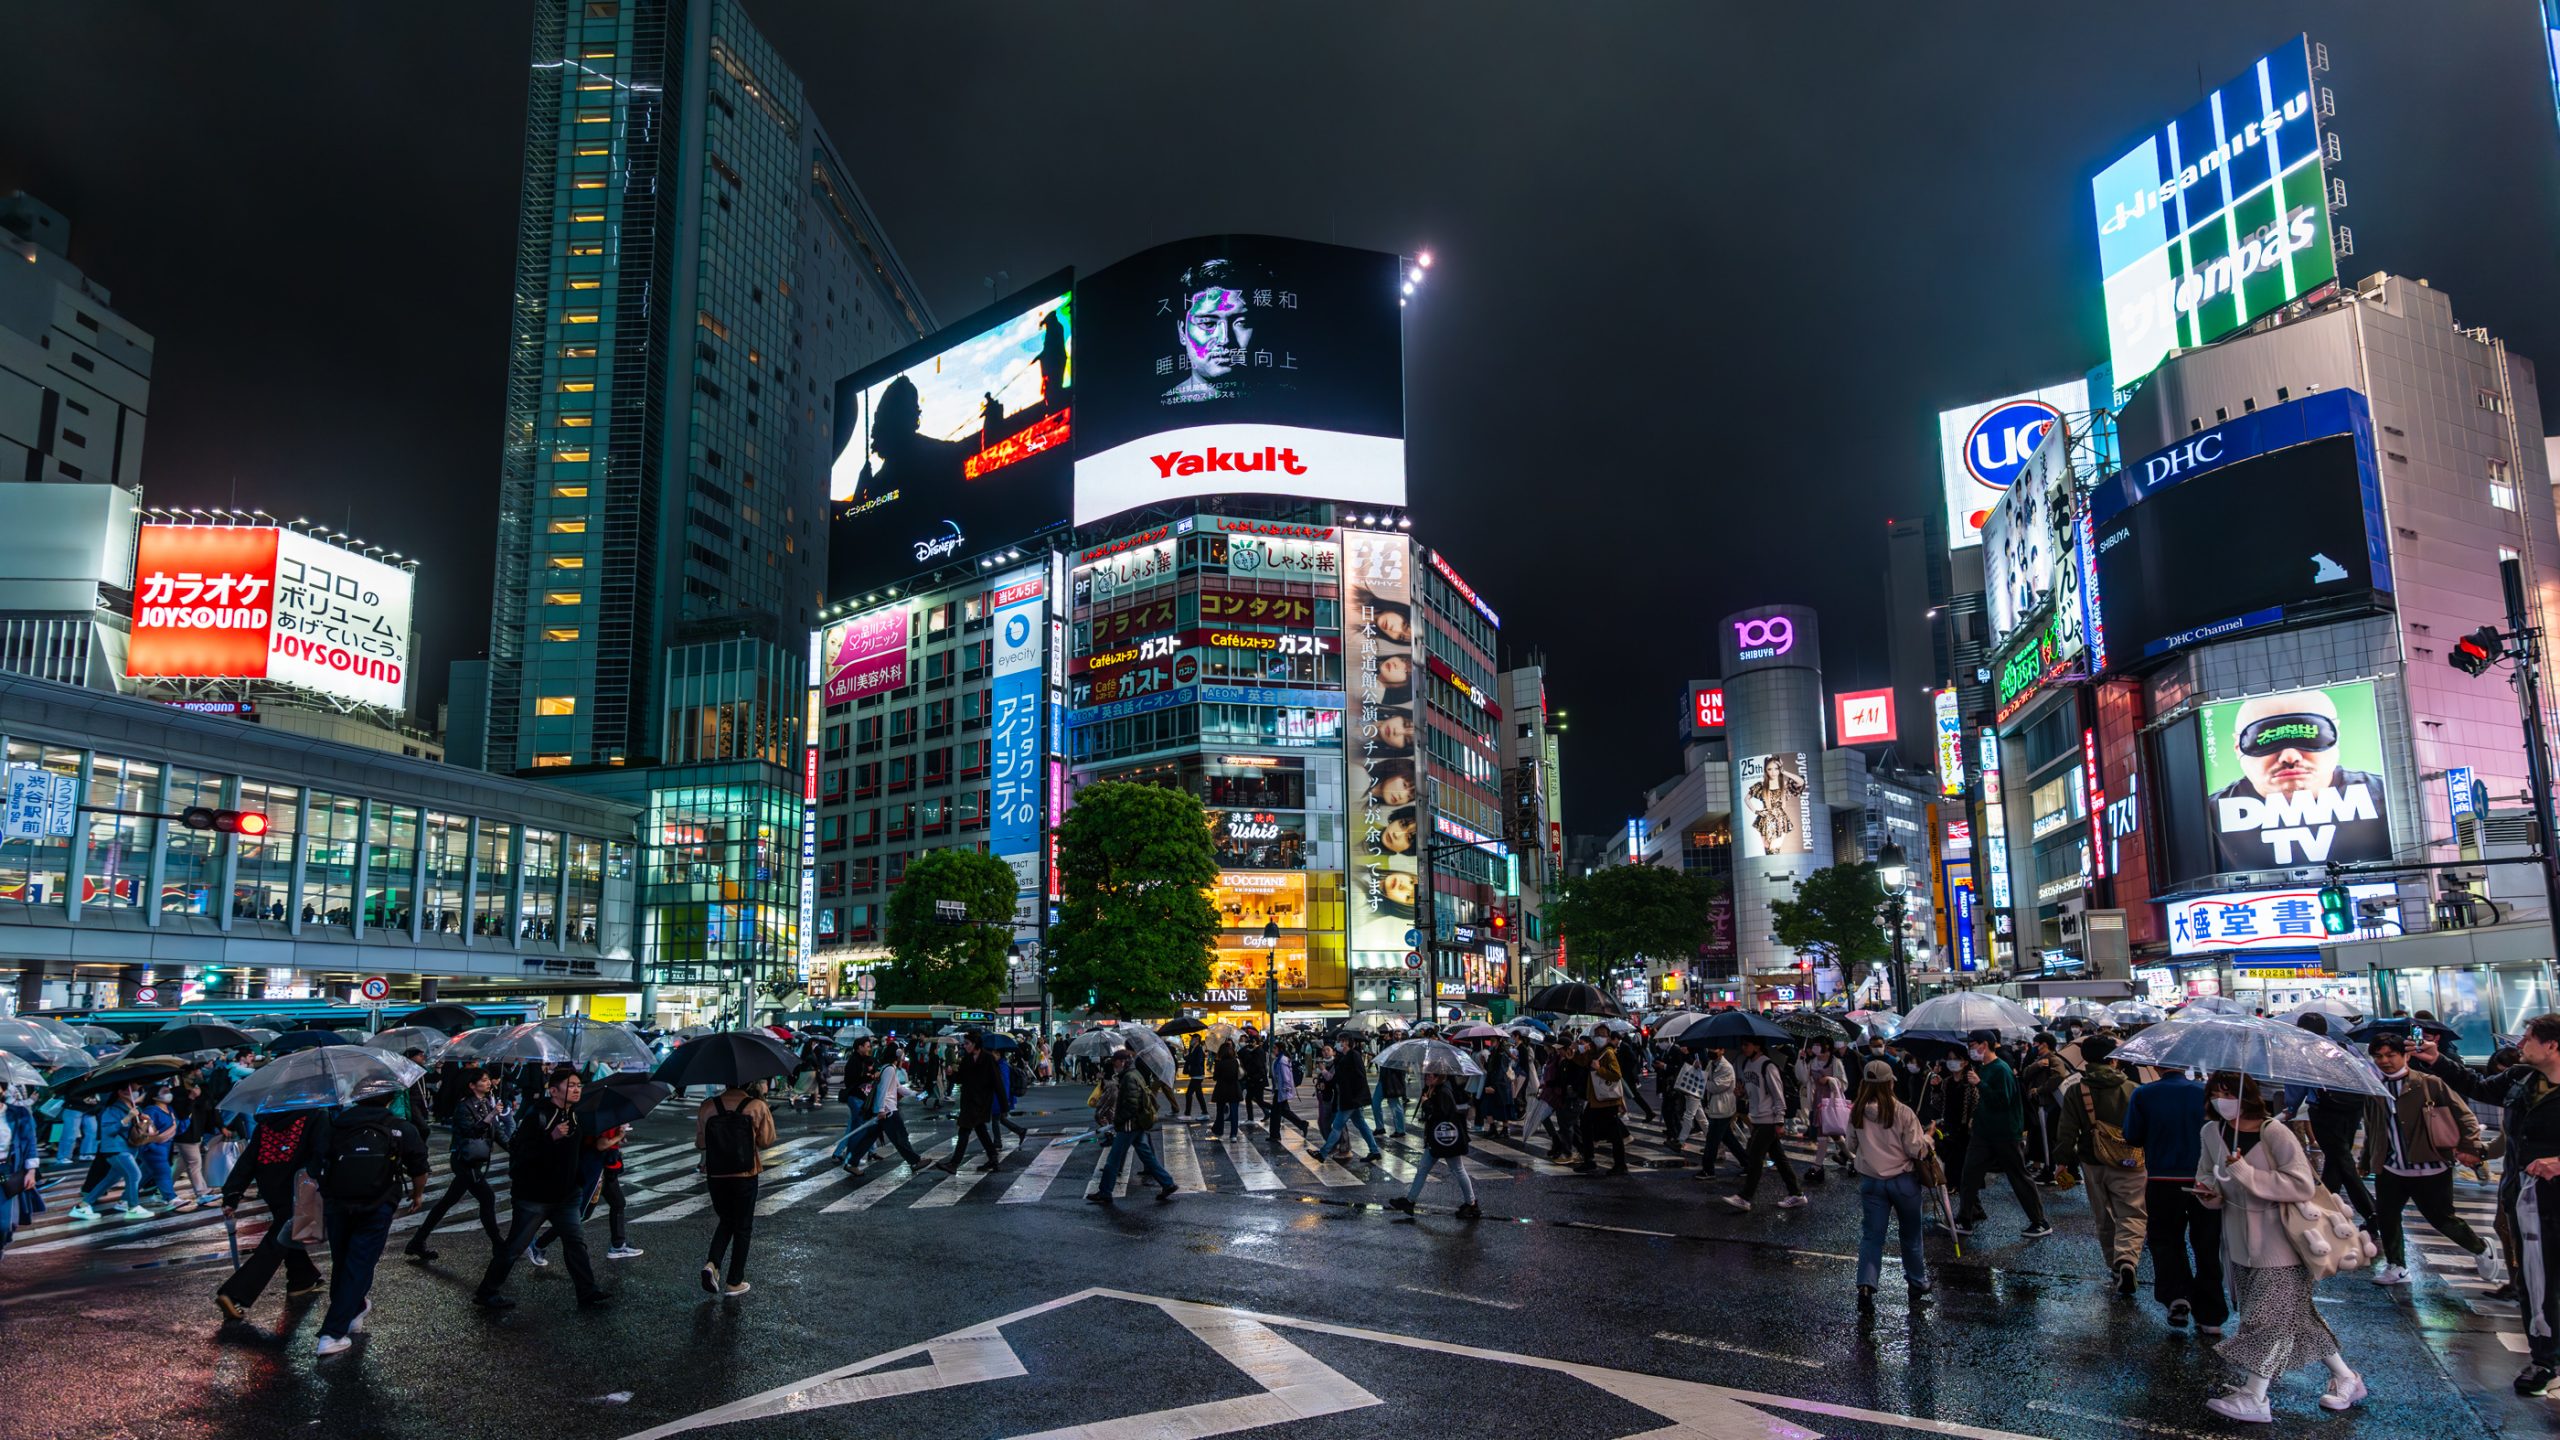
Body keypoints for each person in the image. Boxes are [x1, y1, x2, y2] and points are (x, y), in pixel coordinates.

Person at [2193, 1072, 2365, 1421]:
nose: (2219, 1100)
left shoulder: (2274, 1132)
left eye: (2227, 1093)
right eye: (2214, 1093)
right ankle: (2347, 1378)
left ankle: (2255, 1397)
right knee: (2295, 1317)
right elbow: (2208, 1175)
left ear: (2247, 1095)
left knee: (2266, 1320)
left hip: (2283, 1242)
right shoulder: (2212, 1132)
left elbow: (2301, 1184)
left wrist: (2247, 1174)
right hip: (2239, 1243)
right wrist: (2210, 1193)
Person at [2362, 1032, 2498, 1286]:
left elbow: (2465, 1116)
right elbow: (2373, 1128)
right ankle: (2397, 1266)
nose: (2384, 1061)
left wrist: (2471, 1147)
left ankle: (2480, 1248)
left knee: (2442, 1219)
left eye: (2391, 1055)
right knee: (2387, 1216)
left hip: (2431, 1167)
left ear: (2406, 1055)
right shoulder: (2374, 1089)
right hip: (2392, 1168)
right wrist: (2366, 1160)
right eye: (2378, 1056)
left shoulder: (2428, 1083)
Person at [2206, 689, 2391, 873]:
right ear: (2238, 747)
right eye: (2267, 739)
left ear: (2337, 735)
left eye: (2308, 734)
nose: (2290, 756)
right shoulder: (2208, 818)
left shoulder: (2387, 797)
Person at [474, 1067, 609, 1312]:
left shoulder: (576, 1115)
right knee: (514, 1247)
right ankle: (487, 1292)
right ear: (553, 1090)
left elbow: (577, 1152)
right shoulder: (538, 1115)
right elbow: (520, 1152)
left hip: (567, 1194)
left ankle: (587, 1291)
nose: (577, 1089)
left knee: (575, 1242)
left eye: (579, 1085)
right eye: (571, 1085)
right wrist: (552, 1137)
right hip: (534, 1196)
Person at [308, 1093, 431, 1356]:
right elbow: (419, 1167)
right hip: (378, 1203)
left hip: (338, 1203)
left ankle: (352, 1312)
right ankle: (332, 1333)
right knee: (360, 1263)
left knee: (343, 1262)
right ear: (389, 1098)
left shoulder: (335, 1124)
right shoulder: (400, 1127)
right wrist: (418, 1194)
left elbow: (315, 1163)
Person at [2478, 1013, 2560, 1395]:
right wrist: (2434, 1060)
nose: (2520, 1044)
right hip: (2528, 1202)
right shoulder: (2520, 1080)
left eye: (2527, 1038)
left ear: (2552, 1046)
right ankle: (2544, 1359)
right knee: (2535, 1282)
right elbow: (2476, 1085)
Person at [2126, 1053, 2227, 1334]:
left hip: (2161, 1179)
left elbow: (2132, 1135)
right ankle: (2211, 1315)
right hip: (2204, 1181)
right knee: (2206, 1245)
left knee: (2166, 1241)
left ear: (2156, 1066)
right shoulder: (2204, 1092)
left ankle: (2177, 1296)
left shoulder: (2143, 1094)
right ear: (2187, 1065)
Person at [215, 1107, 328, 1322]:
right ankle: (234, 1293)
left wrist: (232, 1194)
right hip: (301, 1183)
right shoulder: (315, 1115)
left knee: (288, 1233)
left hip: (270, 1185)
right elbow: (321, 1151)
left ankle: (302, 1279)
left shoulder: (266, 1122)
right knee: (278, 1240)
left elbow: (249, 1159)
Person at [2054, 1034, 2147, 1295]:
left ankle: (2115, 1268)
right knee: (2132, 1213)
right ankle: (2127, 1259)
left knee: (2104, 1216)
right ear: (2113, 1060)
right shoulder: (2133, 1089)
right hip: (2131, 1160)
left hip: (2092, 1160)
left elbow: (2066, 1130)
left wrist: (2062, 1162)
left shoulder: (2076, 1090)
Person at [1846, 1059, 1933, 1309]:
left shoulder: (1857, 1111)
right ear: (1890, 1083)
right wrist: (1928, 1138)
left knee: (1872, 1237)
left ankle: (1866, 1285)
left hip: (1872, 1182)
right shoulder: (1903, 1112)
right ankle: (1917, 1282)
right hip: (1903, 1181)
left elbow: (1850, 1145)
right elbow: (1916, 1150)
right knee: (1910, 1235)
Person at [1954, 1030, 2053, 1239]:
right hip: (1983, 1133)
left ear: (1986, 1044)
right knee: (1969, 1175)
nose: (1971, 1048)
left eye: (1973, 1044)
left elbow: (2002, 1102)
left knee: (2018, 1177)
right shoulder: (1981, 1068)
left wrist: (1979, 1084)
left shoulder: (2001, 1069)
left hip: (2006, 1133)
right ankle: (1965, 1218)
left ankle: (2040, 1222)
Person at [408, 1066, 504, 1263]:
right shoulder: (463, 1107)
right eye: (484, 1080)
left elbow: (497, 1132)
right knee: (487, 1197)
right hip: (463, 1161)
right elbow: (472, 1132)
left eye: (488, 1080)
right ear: (472, 1085)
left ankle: (418, 1241)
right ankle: (499, 1245)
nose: (488, 1083)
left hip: (474, 1161)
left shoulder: (486, 1103)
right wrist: (491, 1115)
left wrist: (516, 1149)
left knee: (446, 1202)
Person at [2289, 1015, 2377, 1225]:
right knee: (2336, 1158)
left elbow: (2295, 1085)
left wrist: (2291, 1108)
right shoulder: (2343, 1046)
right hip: (2353, 1107)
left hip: (2324, 1111)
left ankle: (2372, 1213)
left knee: (2342, 1159)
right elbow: (2367, 1071)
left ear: (2302, 1030)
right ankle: (2327, 1204)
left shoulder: (2304, 1051)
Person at [694, 1077, 777, 1296]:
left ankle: (712, 1264)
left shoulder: (708, 1106)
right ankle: (734, 1281)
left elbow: (701, 1143)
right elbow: (767, 1141)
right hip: (745, 1174)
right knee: (743, 1226)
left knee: (727, 1220)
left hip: (716, 1174)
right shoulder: (757, 1106)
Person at [1723, 1037, 1805, 1211]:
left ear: (1757, 1046)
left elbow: (1778, 1095)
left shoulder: (1768, 1066)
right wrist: (1741, 1094)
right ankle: (1796, 1194)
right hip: (1757, 1118)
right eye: (1742, 1044)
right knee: (1779, 1159)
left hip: (1769, 1119)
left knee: (1754, 1156)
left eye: (1746, 1044)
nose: (1743, 1047)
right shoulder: (1747, 1065)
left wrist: (1780, 1121)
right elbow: (1753, 1093)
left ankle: (1745, 1197)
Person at [1388, 1071, 1480, 1218]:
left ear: (1439, 1077)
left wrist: (1426, 1103)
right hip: (1437, 1140)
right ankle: (1410, 1201)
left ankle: (1472, 1204)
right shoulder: (1434, 1090)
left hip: (1446, 1140)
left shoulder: (1443, 1091)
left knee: (1458, 1169)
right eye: (1426, 1075)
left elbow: (1442, 1115)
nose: (1427, 1077)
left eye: (1431, 1075)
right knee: (1423, 1168)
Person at [1091, 1050, 1178, 1203]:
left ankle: (1105, 1192)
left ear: (1123, 1061)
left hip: (1129, 1125)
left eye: (1115, 1061)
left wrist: (1118, 1121)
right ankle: (1167, 1183)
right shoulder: (1133, 1074)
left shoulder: (1129, 1077)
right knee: (1147, 1157)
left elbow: (1131, 1104)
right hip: (1137, 1124)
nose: (1114, 1065)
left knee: (1113, 1159)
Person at [69, 1081, 153, 1220]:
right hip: (115, 1149)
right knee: (134, 1174)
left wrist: (145, 1121)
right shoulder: (112, 1109)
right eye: (134, 1090)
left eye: (139, 1090)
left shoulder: (135, 1109)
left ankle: (82, 1206)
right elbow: (108, 1131)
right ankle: (133, 1207)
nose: (138, 1093)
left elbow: (141, 1130)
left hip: (130, 1148)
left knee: (110, 1179)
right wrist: (127, 1118)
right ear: (121, 1092)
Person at [936, 1033, 1006, 1175]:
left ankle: (954, 1164)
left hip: (982, 1101)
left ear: (975, 1044)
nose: (965, 1046)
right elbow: (960, 1078)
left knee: (964, 1130)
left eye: (967, 1043)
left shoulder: (987, 1059)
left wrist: (1004, 1104)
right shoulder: (967, 1059)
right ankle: (993, 1158)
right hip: (969, 1100)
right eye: (965, 1043)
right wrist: (950, 1074)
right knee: (980, 1130)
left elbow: (997, 1082)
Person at [1691, 1045, 1751, 1179]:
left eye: (1715, 1049)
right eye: (1711, 1048)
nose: (1712, 1051)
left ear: (1723, 1050)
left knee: (1712, 1141)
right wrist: (1698, 1069)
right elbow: (1706, 1080)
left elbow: (1714, 1087)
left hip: (1722, 1109)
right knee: (1729, 1139)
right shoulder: (1712, 1064)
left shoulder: (1726, 1067)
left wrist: (1702, 1077)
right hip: (1715, 1108)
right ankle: (1748, 1164)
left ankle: (1708, 1170)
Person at [1321, 1038, 1383, 1164]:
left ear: (1347, 1043)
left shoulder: (1353, 1056)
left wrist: (1356, 1095)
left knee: (1337, 1126)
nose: (1339, 1044)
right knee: (1361, 1124)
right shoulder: (1345, 1057)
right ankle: (1375, 1151)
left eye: (1341, 1041)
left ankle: (1322, 1153)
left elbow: (1359, 1076)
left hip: (1351, 1099)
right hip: (1350, 1098)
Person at [1578, 1037, 1630, 1175]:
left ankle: (1620, 1164)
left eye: (1602, 1034)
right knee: (1586, 1126)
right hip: (1596, 1099)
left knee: (1614, 1133)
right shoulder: (1595, 1052)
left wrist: (1599, 1069)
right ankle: (1589, 1160)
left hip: (1607, 1100)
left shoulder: (1608, 1053)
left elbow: (1616, 1075)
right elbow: (1582, 1063)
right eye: (1597, 1034)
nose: (1599, 1037)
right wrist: (1578, 1050)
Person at [1, 1083, 42, 1260]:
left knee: (5, 1224)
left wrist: (31, 1171)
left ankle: (2, 1243)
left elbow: (30, 1142)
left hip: (8, 1170)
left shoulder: (18, 1113)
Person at [1265, 1043, 1310, 1144]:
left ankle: (1275, 1135)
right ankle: (1302, 1125)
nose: (1273, 1050)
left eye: (1275, 1048)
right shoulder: (1279, 1059)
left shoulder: (1282, 1060)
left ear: (1280, 1049)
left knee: (1275, 1113)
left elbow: (1286, 1077)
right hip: (1279, 1089)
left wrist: (1285, 1089)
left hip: (1281, 1090)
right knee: (1284, 1111)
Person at [1210, 1041, 1243, 1140]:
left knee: (1220, 1111)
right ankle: (1233, 1135)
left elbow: (1215, 1077)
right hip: (1234, 1088)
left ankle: (1219, 1130)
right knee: (1234, 1113)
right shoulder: (1235, 1062)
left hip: (1222, 1089)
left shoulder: (1219, 1063)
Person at [1181, 1036, 1208, 1119]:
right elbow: (1191, 1059)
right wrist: (1186, 1054)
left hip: (1197, 1075)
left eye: (1192, 1038)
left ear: (1196, 1039)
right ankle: (1205, 1113)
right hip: (1196, 1074)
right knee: (1199, 1094)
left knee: (1189, 1094)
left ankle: (1187, 1114)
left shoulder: (1199, 1049)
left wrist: (1187, 1057)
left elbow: (1198, 1061)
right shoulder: (1193, 1048)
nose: (1191, 1040)